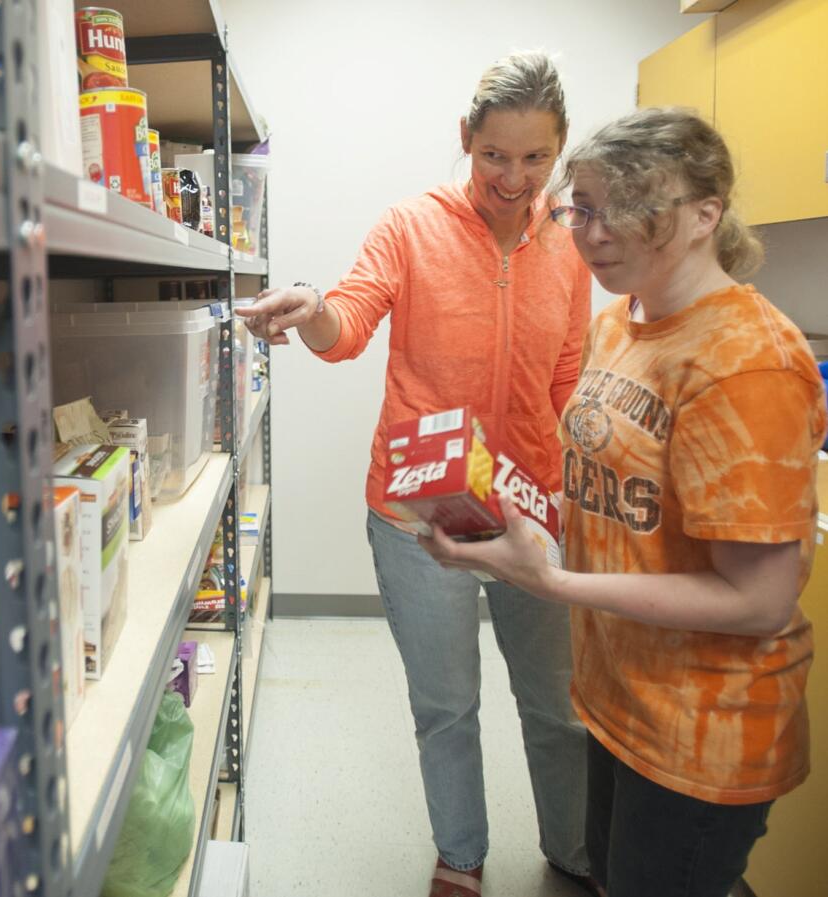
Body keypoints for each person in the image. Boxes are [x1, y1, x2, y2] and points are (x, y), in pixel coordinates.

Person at [419, 106, 826, 897]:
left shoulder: (746, 362)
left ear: (707, 214)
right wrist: (513, 515)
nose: (595, 233)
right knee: (609, 874)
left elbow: (759, 599)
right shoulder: (620, 323)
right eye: (585, 208)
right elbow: (619, 496)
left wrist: (550, 581)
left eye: (631, 210)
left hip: (700, 731)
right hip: (615, 698)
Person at [237, 52, 594, 897]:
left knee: (556, 705)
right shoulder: (411, 225)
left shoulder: (572, 244)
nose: (513, 177)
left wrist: (576, 489)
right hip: (419, 515)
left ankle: (576, 848)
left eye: (536, 157)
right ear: (465, 139)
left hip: (530, 512)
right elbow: (350, 321)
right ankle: (462, 853)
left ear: (560, 148)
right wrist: (312, 309)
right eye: (494, 155)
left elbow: (569, 377)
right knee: (447, 705)